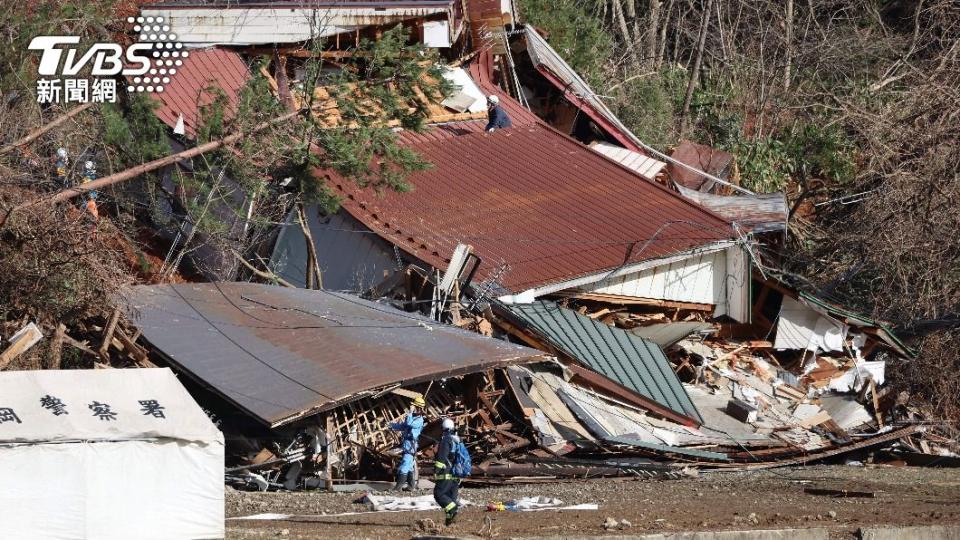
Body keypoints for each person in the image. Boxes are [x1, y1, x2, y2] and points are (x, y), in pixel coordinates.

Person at [389, 395, 425, 491]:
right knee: (409, 467)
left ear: (418, 408)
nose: (412, 408)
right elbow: (403, 426)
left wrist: (410, 412)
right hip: (406, 444)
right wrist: (391, 425)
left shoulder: (419, 420)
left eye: (414, 407)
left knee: (405, 464)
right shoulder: (412, 417)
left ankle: (398, 487)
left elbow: (409, 424)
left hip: (411, 445)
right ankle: (411, 486)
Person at [433, 417, 461, 525]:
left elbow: (442, 457)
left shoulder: (446, 440)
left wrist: (436, 470)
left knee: (439, 494)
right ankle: (450, 521)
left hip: (446, 473)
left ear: (443, 428)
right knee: (450, 497)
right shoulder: (457, 440)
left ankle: (453, 509)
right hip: (455, 474)